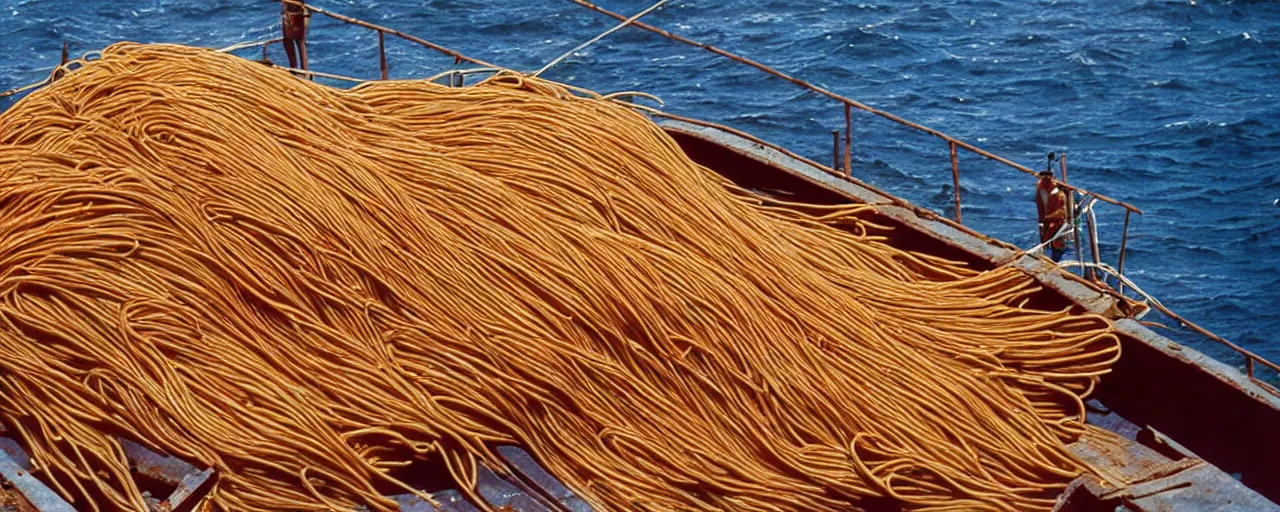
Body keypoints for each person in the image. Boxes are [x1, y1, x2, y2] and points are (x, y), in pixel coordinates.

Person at [1035, 168, 1069, 262]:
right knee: (1045, 241)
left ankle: (1056, 259)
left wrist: (1047, 217)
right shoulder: (1041, 189)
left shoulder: (1058, 194)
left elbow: (1063, 212)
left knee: (1057, 245)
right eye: (1043, 177)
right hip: (1045, 223)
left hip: (1056, 225)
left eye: (1048, 177)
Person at [281, 0, 310, 70]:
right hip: (288, 13)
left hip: (297, 14)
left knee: (300, 41)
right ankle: (293, 68)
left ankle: (304, 70)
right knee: (288, 40)